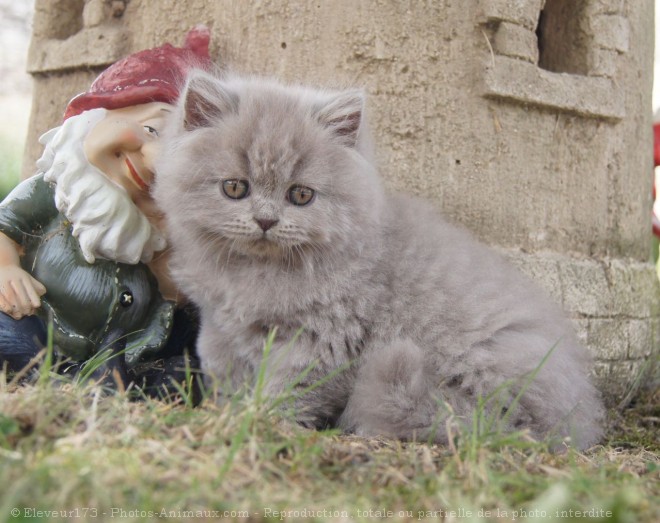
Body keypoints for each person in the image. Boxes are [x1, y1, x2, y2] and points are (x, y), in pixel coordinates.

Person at [0, 26, 211, 398]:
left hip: (131, 345)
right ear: (96, 117)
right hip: (41, 325)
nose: (154, 159)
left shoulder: (158, 228)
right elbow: (5, 226)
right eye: (150, 129)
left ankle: (111, 388)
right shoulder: (55, 189)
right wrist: (6, 269)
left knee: (184, 371)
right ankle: (54, 384)